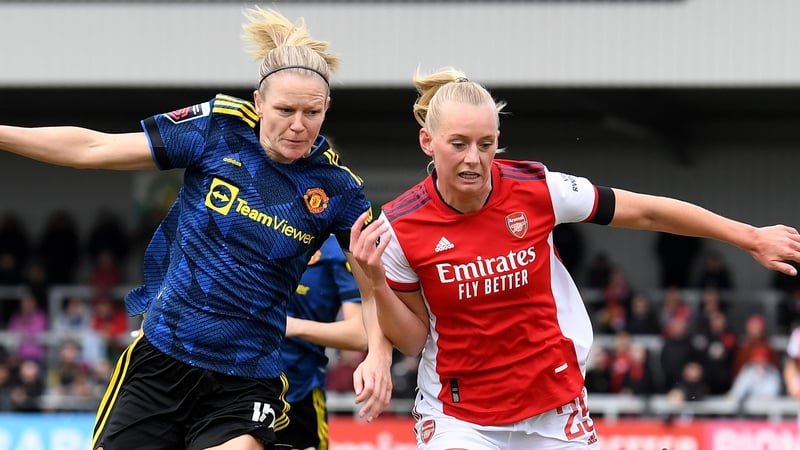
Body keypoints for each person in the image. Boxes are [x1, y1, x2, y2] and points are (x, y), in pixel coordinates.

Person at [0, 6, 392, 450]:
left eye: (312, 112)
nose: (298, 125)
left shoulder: (338, 189)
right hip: (161, 361)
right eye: (285, 109)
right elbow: (95, 146)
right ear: (259, 102)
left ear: (327, 109)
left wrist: (378, 354)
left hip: (246, 380)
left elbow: (372, 283)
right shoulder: (216, 128)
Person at [349, 66, 800, 449]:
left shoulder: (538, 188)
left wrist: (748, 236)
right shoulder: (399, 227)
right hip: (458, 416)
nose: (474, 159)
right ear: (428, 141)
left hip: (552, 403)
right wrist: (374, 285)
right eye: (459, 143)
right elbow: (413, 339)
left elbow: (644, 211)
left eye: (486, 144)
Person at [277, 234, 367, 450]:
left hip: (299, 394)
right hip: (240, 384)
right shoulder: (258, 232)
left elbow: (360, 335)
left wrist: (291, 326)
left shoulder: (335, 251)